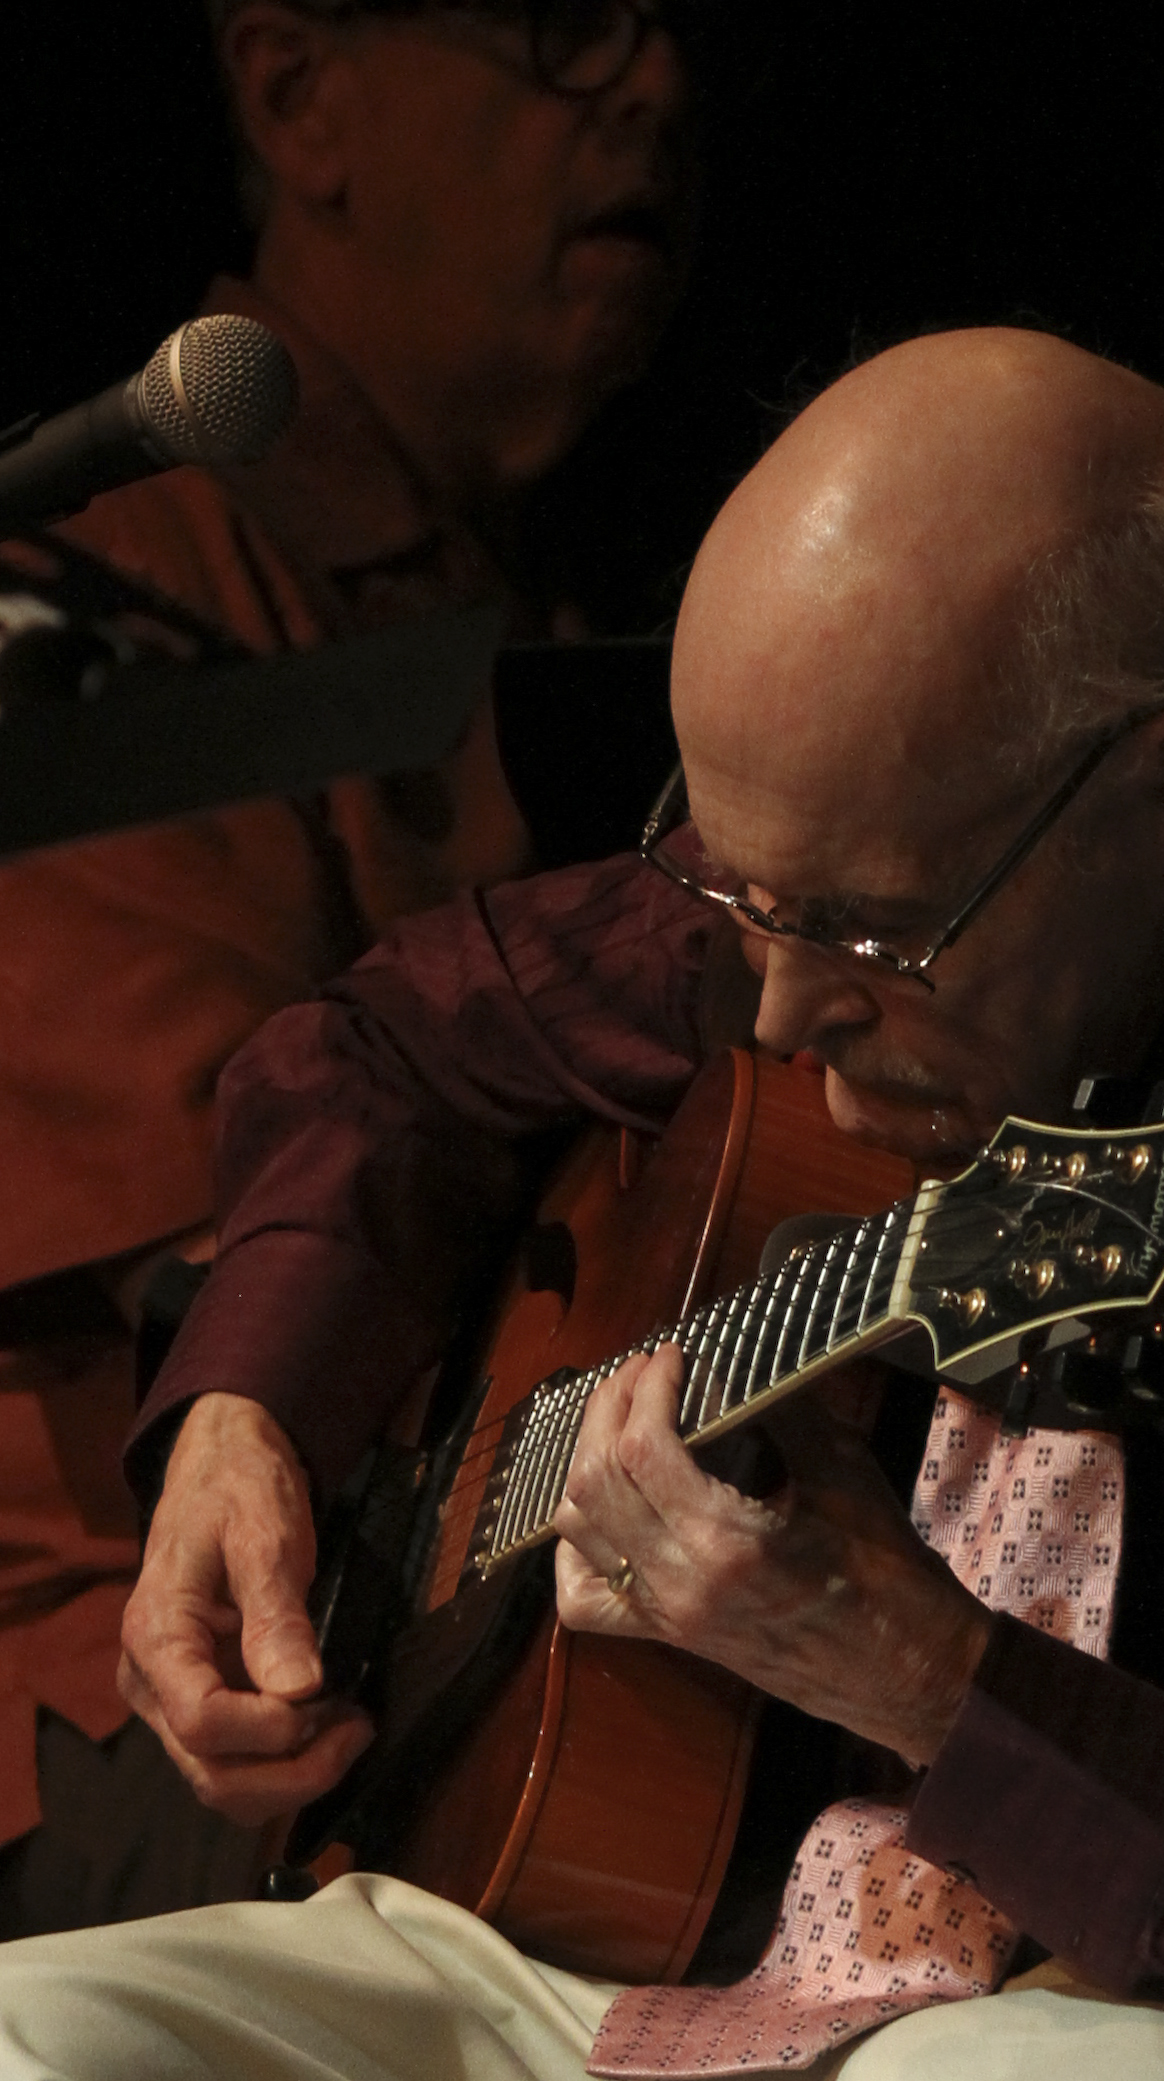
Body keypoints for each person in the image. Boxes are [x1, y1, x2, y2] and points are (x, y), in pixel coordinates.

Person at [0, 328, 1164, 2081]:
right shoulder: (825, 876)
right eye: (733, 897)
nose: (768, 1006)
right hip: (607, 1946)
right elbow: (381, 1049)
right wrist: (249, 1414)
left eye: (854, 935)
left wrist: (942, 1688)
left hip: (1139, 1999)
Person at [0, 0, 695, 1933]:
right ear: (300, 92)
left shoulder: (568, 603)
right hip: (130, 1683)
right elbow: (223, 1247)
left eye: (665, 27)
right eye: (565, 27)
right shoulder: (90, 612)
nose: (648, 83)